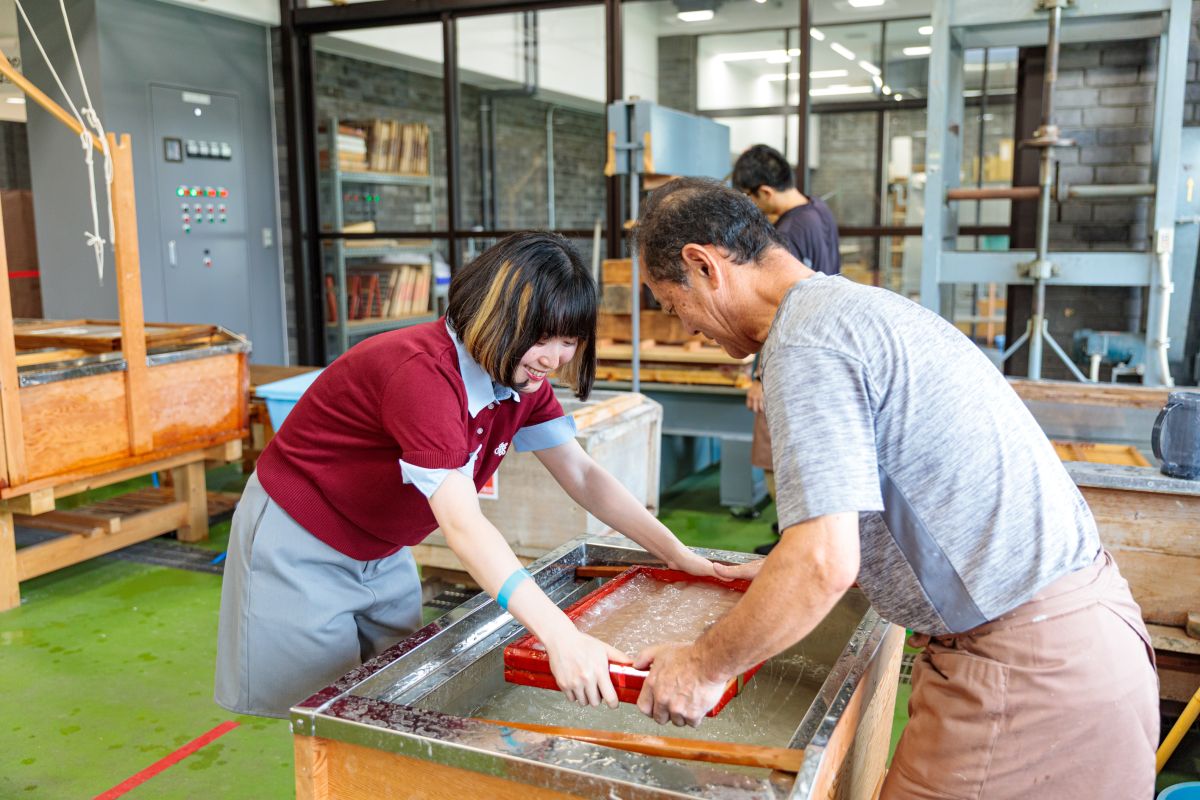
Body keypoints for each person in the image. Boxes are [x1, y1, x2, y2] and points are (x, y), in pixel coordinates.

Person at [631, 178, 1158, 798]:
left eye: (673, 306)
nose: (686, 328)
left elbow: (824, 560)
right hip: (1080, 630)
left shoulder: (804, 343)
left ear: (704, 265)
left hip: (1030, 666)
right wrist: (782, 574)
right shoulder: (852, 308)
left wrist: (701, 666)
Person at [215, 232, 720, 718]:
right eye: (539, 338)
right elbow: (461, 523)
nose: (553, 357)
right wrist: (560, 636)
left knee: (389, 690)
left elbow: (583, 475)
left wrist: (678, 555)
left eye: (568, 341)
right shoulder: (422, 374)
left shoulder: (519, 377)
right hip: (302, 539)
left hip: (384, 545)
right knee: (318, 708)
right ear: (491, 315)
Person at [732, 145, 841, 551]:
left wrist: (760, 374)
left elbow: (777, 306)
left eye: (748, 198)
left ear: (763, 192)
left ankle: (793, 545)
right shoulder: (819, 212)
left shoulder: (789, 232)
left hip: (791, 356)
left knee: (775, 456)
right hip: (820, 348)